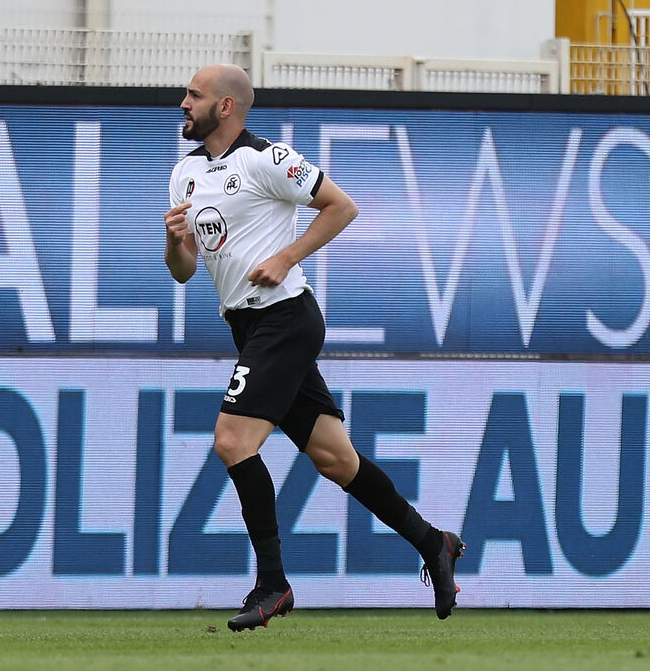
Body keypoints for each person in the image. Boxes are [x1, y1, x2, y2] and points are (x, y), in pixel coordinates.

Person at [163, 64, 464, 632]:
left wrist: (287, 257)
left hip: (285, 318)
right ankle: (434, 543)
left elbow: (341, 206)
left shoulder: (267, 160)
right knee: (336, 461)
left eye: (194, 95)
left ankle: (272, 585)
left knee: (232, 441)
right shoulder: (185, 173)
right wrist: (174, 241)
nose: (183, 102)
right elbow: (183, 273)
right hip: (249, 327)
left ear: (225, 107)